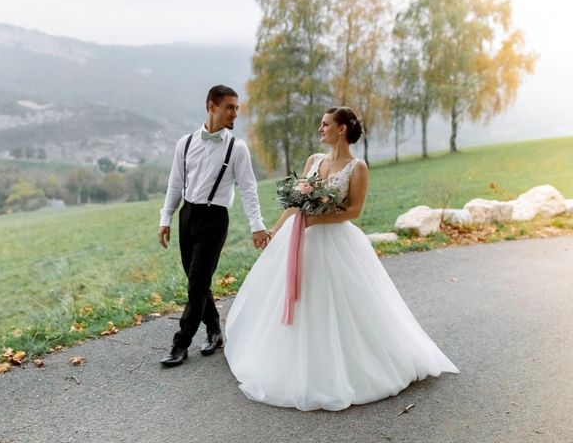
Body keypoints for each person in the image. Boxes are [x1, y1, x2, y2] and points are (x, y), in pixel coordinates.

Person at [225, 106, 459, 411]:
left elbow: (354, 212)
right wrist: (275, 230)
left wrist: (315, 222)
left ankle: (346, 368)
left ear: (341, 130)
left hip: (334, 241)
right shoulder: (314, 160)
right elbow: (296, 205)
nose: (320, 129)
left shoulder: (356, 167)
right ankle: (292, 360)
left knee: (334, 303)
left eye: (325, 125)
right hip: (297, 238)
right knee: (296, 299)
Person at [158, 84, 270, 367]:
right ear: (211, 106)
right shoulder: (184, 144)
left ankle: (180, 343)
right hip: (188, 215)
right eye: (229, 107)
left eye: (237, 108)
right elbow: (174, 184)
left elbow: (248, 189)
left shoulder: (237, 148)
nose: (235, 113)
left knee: (197, 283)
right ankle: (214, 329)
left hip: (215, 219)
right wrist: (166, 219)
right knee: (198, 282)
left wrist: (257, 225)